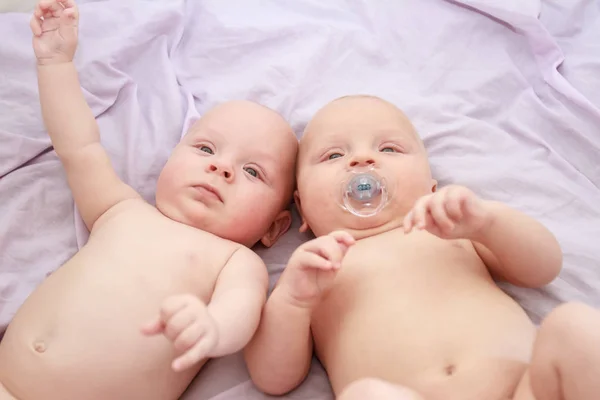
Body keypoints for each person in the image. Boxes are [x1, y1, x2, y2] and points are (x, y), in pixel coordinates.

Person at [0, 1, 298, 399]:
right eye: (206, 149)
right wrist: (55, 64)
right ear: (171, 158)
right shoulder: (121, 210)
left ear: (275, 228)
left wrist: (212, 327)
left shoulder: (235, 261)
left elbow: (240, 311)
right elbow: (78, 146)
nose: (222, 168)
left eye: (252, 171)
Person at [244, 94, 600, 399]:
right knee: (365, 395)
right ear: (302, 206)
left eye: (389, 148)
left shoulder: (452, 231)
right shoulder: (314, 272)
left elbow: (543, 268)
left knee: (575, 326)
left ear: (431, 185)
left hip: (522, 390)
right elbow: (273, 379)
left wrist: (488, 222)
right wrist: (292, 300)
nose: (363, 161)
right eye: (334, 155)